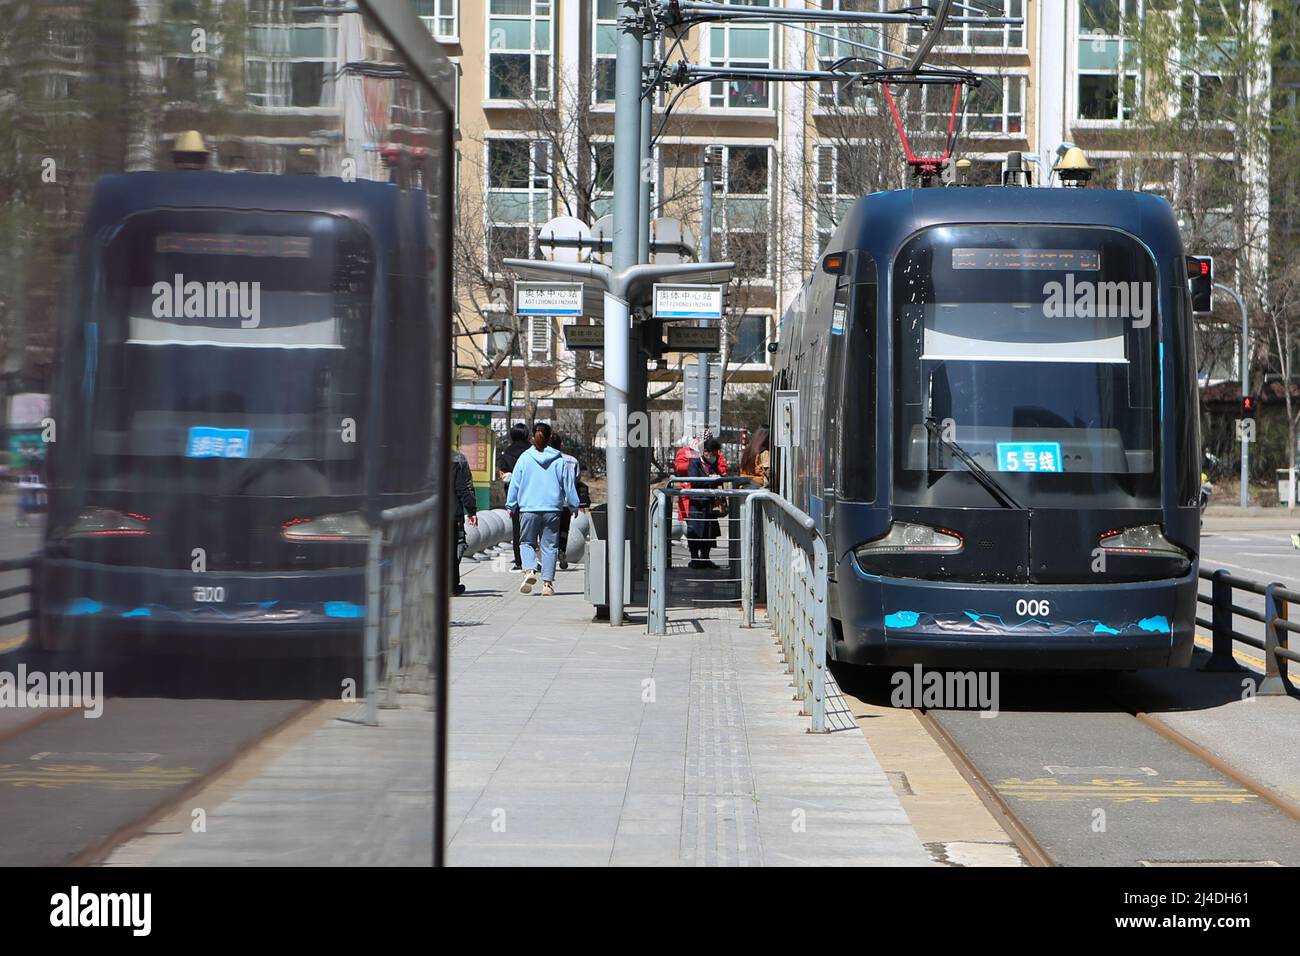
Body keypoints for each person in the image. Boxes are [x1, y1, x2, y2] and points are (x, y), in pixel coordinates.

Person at [507, 422, 582, 596]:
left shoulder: (525, 458)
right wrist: (574, 504)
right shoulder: (559, 459)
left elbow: (515, 484)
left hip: (528, 508)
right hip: (553, 509)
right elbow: (568, 485)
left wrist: (511, 504)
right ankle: (547, 584)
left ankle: (530, 570)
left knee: (526, 542)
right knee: (550, 546)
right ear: (549, 438)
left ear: (533, 437)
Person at [497, 422, 531, 571]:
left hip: (514, 495)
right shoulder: (533, 451)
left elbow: (503, 474)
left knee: (517, 528)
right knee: (533, 528)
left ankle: (519, 561)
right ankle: (532, 558)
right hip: (532, 494)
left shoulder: (507, 453)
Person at [686, 436, 724, 569]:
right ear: (705, 452)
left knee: (709, 532)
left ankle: (706, 558)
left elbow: (719, 476)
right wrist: (710, 479)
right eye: (713, 454)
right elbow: (694, 480)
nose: (714, 457)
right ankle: (695, 558)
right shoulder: (695, 462)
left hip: (710, 503)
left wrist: (717, 478)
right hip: (698, 503)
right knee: (695, 530)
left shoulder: (712, 463)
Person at [549, 432, 583, 571]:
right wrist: (574, 504)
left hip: (549, 502)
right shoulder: (572, 461)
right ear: (561, 444)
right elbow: (575, 481)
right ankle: (562, 549)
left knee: (549, 531)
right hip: (565, 503)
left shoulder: (545, 460)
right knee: (564, 529)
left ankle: (549, 556)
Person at [451, 448, 477, 595]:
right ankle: (452, 585)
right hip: (451, 513)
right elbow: (464, 487)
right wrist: (471, 510)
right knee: (452, 550)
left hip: (425, 512)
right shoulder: (456, 459)